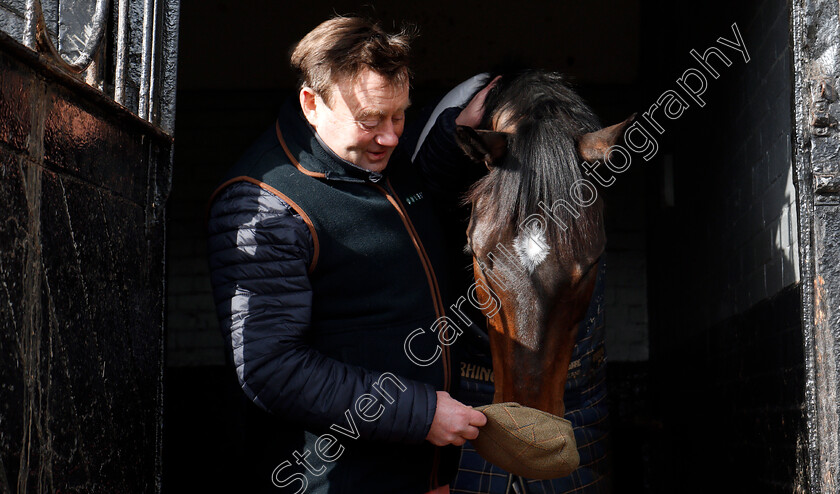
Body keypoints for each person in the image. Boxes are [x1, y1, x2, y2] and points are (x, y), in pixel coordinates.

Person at [207, 16, 492, 494]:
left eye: (399, 115)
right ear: (311, 104)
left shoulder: (375, 158)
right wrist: (421, 415)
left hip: (428, 474)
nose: (390, 137)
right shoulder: (263, 205)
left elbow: (416, 180)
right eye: (370, 121)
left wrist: (455, 129)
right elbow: (272, 368)